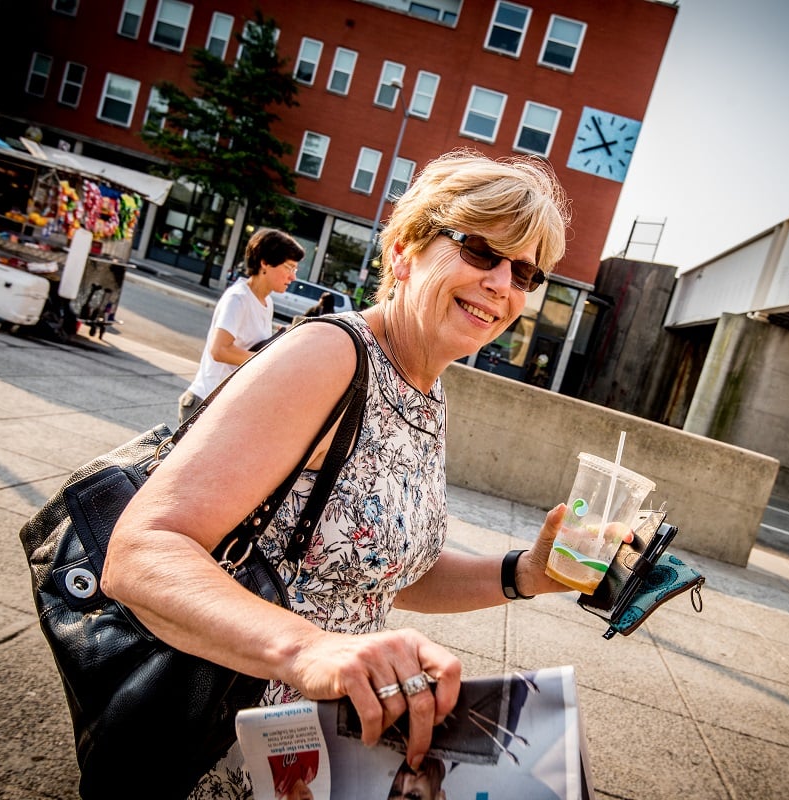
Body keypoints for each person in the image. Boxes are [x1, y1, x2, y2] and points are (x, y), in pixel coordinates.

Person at [104, 150, 574, 799]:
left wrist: (526, 574)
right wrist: (308, 650)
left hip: (315, 756)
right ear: (406, 251)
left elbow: (379, 571)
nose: (503, 283)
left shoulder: (426, 387)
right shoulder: (330, 355)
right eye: (480, 251)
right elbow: (139, 552)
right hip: (224, 747)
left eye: (525, 271)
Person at [177, 228, 304, 423]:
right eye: (288, 267)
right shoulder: (238, 298)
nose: (293, 277)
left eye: (295, 269)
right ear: (265, 263)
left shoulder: (266, 302)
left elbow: (248, 347)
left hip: (225, 404)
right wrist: (268, 362)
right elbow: (219, 350)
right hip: (205, 402)